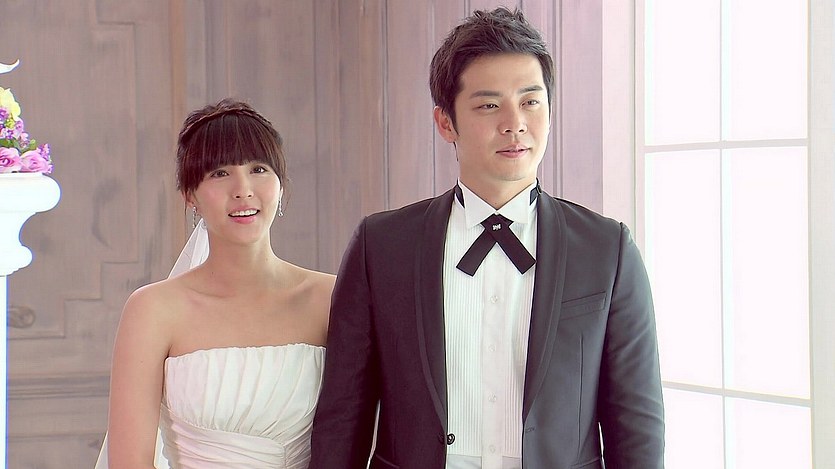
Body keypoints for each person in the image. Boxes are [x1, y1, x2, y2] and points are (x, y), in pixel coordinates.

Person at [309, 7, 664, 469]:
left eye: (531, 101)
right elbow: (343, 416)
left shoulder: (607, 249)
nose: (515, 123)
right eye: (489, 105)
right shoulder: (381, 246)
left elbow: (637, 425)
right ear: (445, 122)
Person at [95, 98, 334, 468]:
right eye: (220, 173)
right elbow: (129, 462)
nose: (243, 189)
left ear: (280, 185)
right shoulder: (154, 310)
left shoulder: (330, 298)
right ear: (190, 195)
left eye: (258, 169)